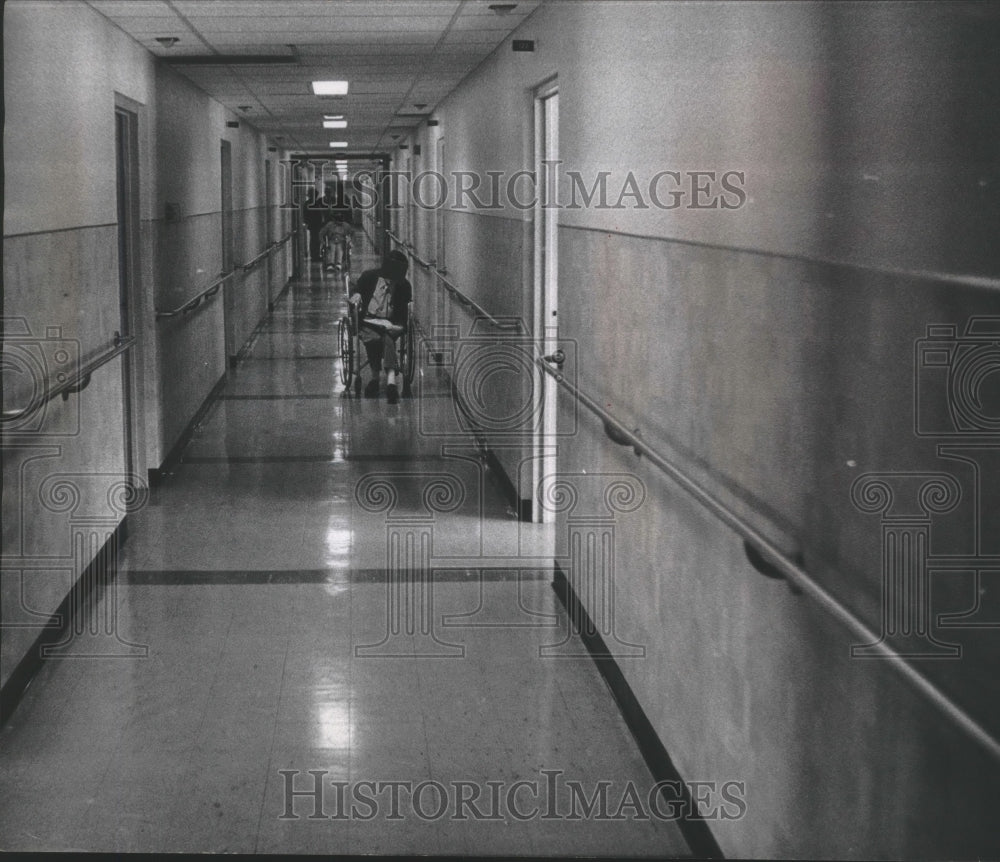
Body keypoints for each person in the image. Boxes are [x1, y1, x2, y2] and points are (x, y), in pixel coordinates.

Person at [351, 251, 412, 404]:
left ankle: (382, 380)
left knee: (387, 336)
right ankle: (383, 378)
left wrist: (400, 327)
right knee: (375, 338)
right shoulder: (369, 277)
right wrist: (357, 294)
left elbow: (404, 313)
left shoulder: (404, 286)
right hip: (368, 321)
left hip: (391, 323)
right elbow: (355, 290)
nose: (392, 283)